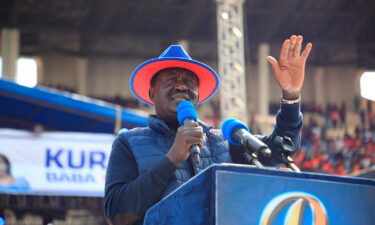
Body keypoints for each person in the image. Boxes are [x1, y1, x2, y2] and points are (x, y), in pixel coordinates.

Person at [104, 35, 312, 225]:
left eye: (188, 82)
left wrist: (291, 95)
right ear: (152, 92)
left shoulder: (224, 140)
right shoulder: (128, 143)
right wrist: (173, 158)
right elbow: (118, 215)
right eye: (171, 80)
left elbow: (278, 151)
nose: (182, 86)